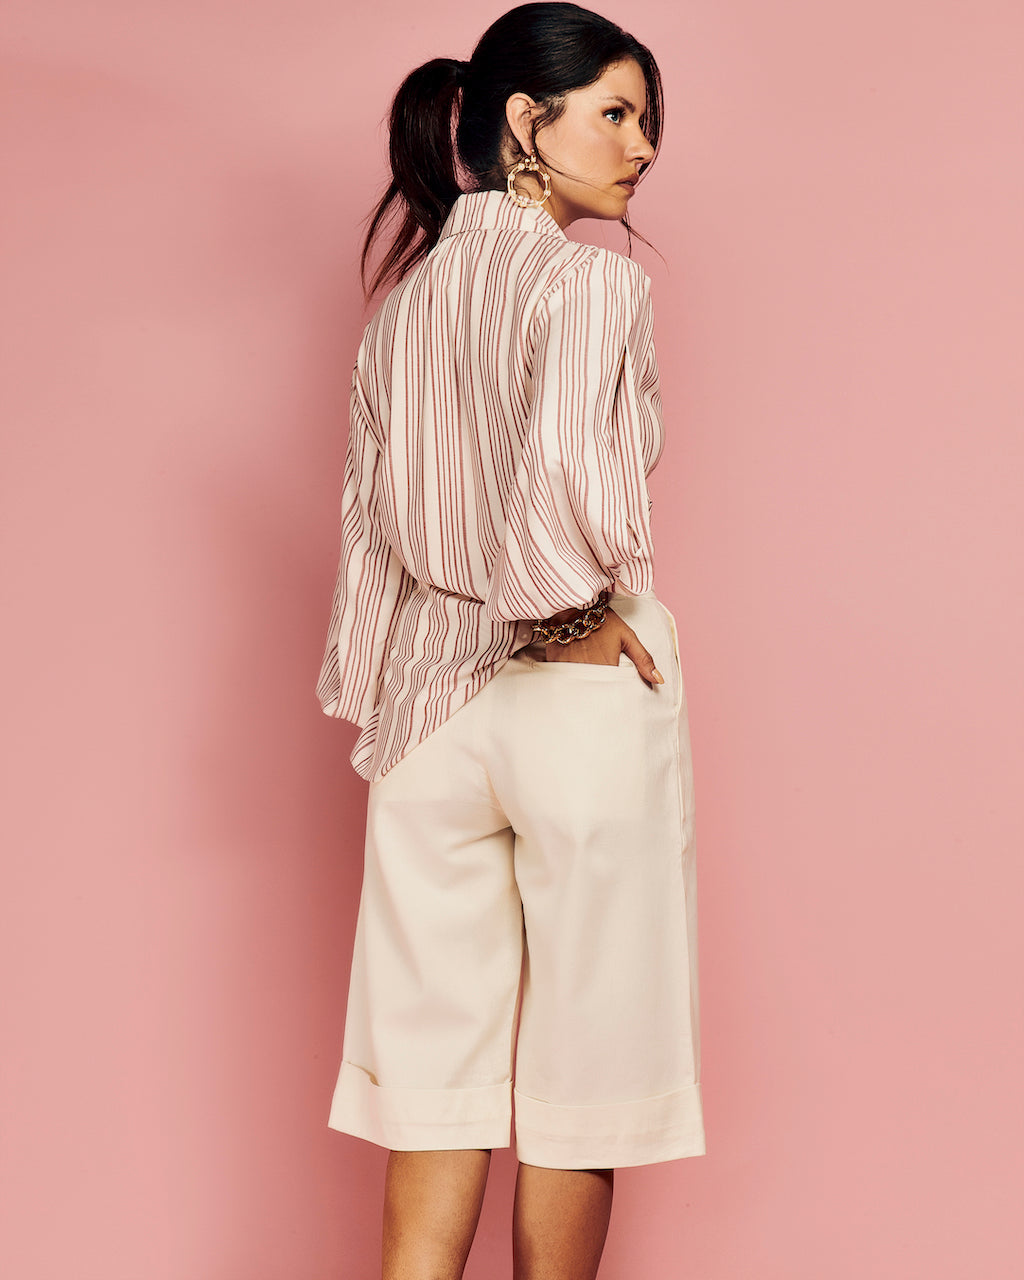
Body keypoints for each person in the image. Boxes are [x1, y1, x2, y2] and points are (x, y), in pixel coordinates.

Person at [316, 5, 704, 1276]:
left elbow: (370, 525)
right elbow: (567, 479)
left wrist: (382, 680)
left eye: (646, 120)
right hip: (563, 696)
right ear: (525, 123)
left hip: (422, 708)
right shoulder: (593, 284)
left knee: (434, 1076)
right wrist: (572, 618)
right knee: (589, 1069)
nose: (642, 147)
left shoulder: (400, 310)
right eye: (616, 113)